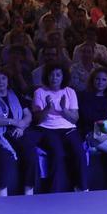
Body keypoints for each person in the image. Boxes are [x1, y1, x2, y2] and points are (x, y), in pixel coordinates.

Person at [26, 64, 87, 192]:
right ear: (47, 77)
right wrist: (48, 107)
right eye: (51, 75)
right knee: (57, 153)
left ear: (63, 77)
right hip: (47, 129)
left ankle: (82, 188)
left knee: (79, 152)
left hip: (68, 128)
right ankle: (55, 191)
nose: (54, 78)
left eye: (58, 75)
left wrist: (64, 109)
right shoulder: (40, 92)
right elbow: (37, 119)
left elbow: (75, 118)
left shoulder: (70, 92)